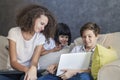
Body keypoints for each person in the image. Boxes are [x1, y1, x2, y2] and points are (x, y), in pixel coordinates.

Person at [0, 4, 57, 80]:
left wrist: (32, 69)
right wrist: (27, 70)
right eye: (42, 24)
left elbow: (34, 61)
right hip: (13, 71)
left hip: (32, 70)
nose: (43, 28)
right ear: (33, 19)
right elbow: (13, 62)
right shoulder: (14, 32)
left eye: (45, 26)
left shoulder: (40, 37)